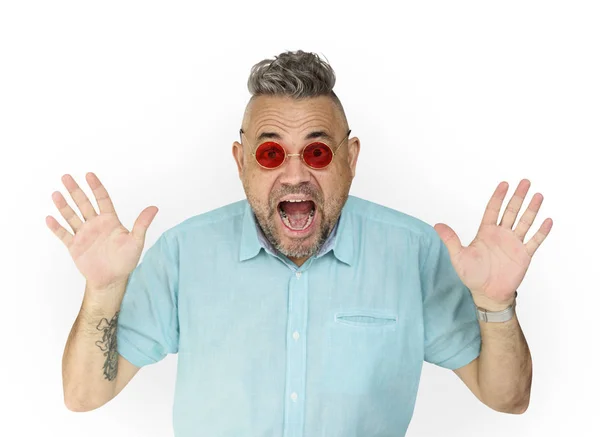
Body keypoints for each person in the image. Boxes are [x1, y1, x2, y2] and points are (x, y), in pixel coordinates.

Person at [47, 50, 553, 436]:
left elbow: (506, 398)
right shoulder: (184, 254)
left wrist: (495, 305)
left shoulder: (413, 253)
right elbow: (85, 395)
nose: (295, 174)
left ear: (350, 159)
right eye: (270, 153)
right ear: (240, 160)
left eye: (316, 150)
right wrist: (104, 293)